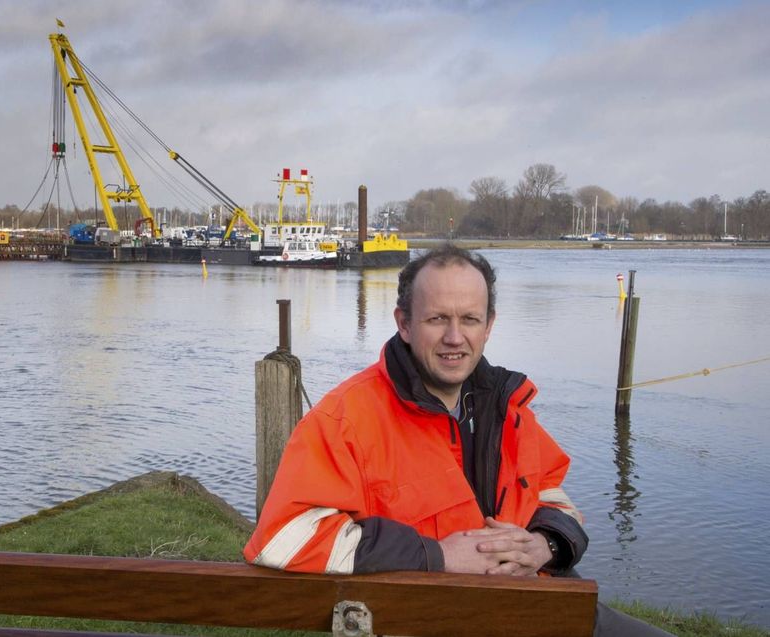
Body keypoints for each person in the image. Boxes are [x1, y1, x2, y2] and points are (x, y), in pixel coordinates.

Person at [244, 244, 671, 636]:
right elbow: (285, 537)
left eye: (470, 319)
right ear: (404, 324)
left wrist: (545, 545)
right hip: (432, 620)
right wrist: (437, 556)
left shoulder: (509, 408)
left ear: (489, 326)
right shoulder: (346, 419)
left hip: (539, 602)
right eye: (437, 319)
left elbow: (555, 499)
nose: (455, 337)